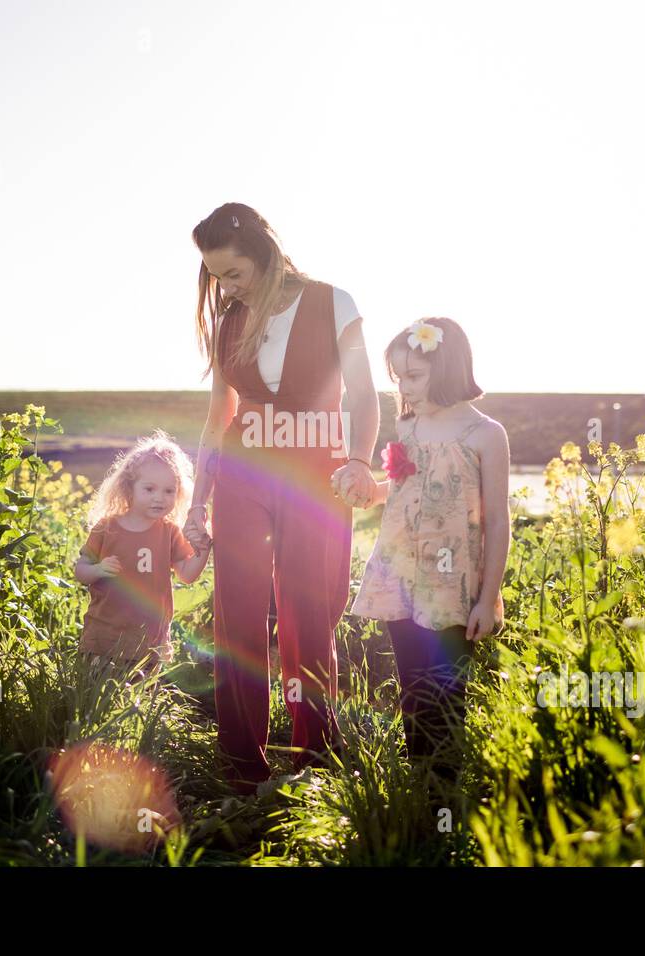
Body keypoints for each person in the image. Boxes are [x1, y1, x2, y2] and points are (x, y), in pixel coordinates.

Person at [184, 202, 380, 795]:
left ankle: (314, 759)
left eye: (234, 273)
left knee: (309, 614)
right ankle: (242, 765)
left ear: (264, 255)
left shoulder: (332, 302)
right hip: (244, 479)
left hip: (314, 477)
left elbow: (365, 396)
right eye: (215, 276)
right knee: (237, 616)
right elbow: (219, 418)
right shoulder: (228, 320)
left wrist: (360, 461)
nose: (224, 287)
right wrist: (198, 502)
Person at [350, 317, 510, 820]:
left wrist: (488, 597)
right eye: (398, 378)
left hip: (452, 583)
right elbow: (395, 487)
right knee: (412, 683)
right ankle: (417, 787)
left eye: (414, 376)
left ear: (446, 368)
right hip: (399, 574)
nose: (404, 388)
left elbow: (498, 520)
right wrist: (363, 490)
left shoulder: (485, 434)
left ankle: (446, 797)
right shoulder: (408, 425)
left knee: (446, 689)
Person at [73, 430, 211, 680]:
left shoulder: (169, 532)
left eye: (169, 491)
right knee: (97, 697)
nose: (160, 498)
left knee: (139, 702)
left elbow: (187, 575)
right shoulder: (106, 527)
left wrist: (203, 549)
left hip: (149, 641)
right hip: (103, 637)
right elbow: (80, 570)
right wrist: (97, 569)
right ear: (129, 488)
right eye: (149, 489)